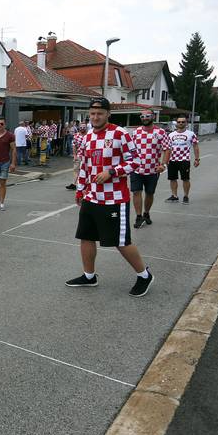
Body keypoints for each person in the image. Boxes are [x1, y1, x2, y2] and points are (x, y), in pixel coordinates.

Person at [66, 97, 154, 297]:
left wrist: (112, 172)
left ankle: (144, 275)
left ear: (108, 114)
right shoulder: (87, 136)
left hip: (114, 198)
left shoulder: (120, 133)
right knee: (86, 237)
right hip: (91, 197)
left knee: (120, 241)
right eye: (92, 114)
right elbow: (85, 166)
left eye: (100, 113)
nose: (95, 117)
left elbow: (136, 162)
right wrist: (80, 190)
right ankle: (89, 276)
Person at [130, 110, 170, 228]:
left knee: (149, 193)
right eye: (142, 116)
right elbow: (130, 149)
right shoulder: (135, 132)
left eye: (148, 116)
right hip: (137, 169)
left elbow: (167, 149)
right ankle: (138, 217)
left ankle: (146, 213)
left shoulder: (161, 132)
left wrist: (163, 164)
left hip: (153, 170)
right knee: (136, 192)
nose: (145, 118)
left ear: (153, 116)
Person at [164, 117, 200, 204]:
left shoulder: (191, 134)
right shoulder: (170, 135)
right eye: (179, 122)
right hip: (172, 160)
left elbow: (195, 146)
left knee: (185, 179)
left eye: (183, 122)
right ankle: (174, 196)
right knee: (172, 179)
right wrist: (166, 161)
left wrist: (197, 159)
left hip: (184, 160)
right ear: (176, 123)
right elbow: (167, 148)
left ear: (186, 123)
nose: (181, 123)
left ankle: (186, 196)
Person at [65, 122, 86, 190]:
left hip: (87, 156)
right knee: (76, 170)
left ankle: (85, 184)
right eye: (81, 127)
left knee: (86, 171)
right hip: (79, 155)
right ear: (79, 128)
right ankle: (74, 184)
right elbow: (74, 146)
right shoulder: (76, 135)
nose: (82, 128)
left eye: (84, 127)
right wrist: (74, 156)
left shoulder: (89, 135)